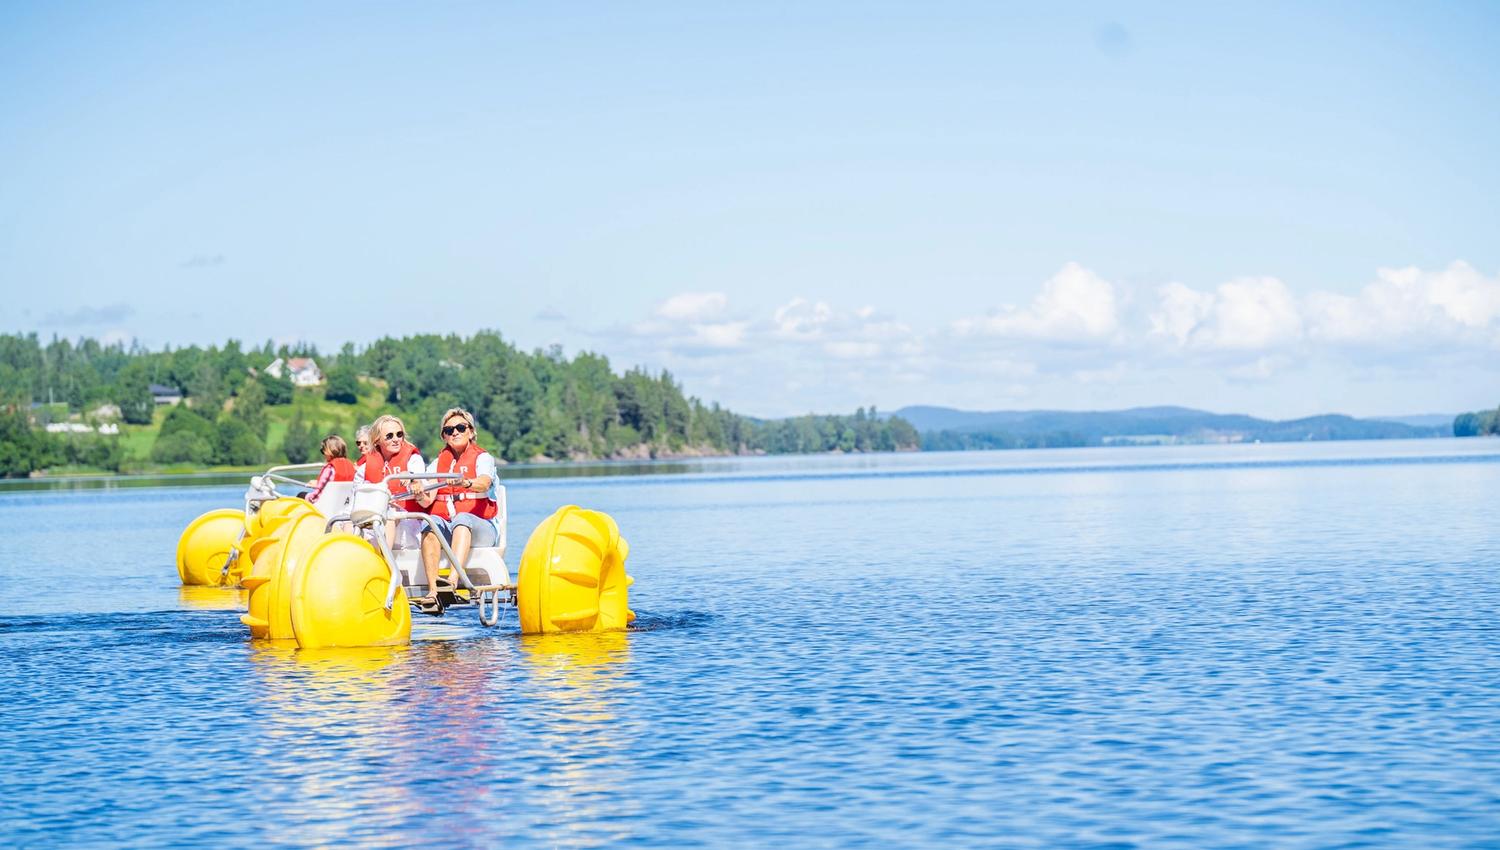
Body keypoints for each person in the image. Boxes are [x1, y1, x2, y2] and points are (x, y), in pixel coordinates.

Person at [410, 407, 498, 614]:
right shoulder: (438, 463)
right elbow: (426, 500)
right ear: (444, 436)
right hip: (453, 526)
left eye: (460, 427)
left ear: (470, 432)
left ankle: (452, 580)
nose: (455, 433)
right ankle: (434, 591)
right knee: (429, 522)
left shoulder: (482, 458)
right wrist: (418, 491)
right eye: (449, 430)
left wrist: (465, 482)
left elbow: (484, 483)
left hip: (481, 528)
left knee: (462, 518)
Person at [354, 414, 425, 549]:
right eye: (389, 436)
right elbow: (355, 502)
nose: (396, 439)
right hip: (374, 521)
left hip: (407, 522)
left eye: (399, 434)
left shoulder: (413, 461)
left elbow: (421, 487)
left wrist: (412, 479)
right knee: (343, 520)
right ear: (376, 440)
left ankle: (385, 562)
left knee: (389, 516)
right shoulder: (363, 469)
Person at [303, 435, 356, 504]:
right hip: (343, 506)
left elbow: (316, 496)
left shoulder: (330, 469)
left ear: (330, 451)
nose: (323, 454)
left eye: (323, 450)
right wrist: (318, 483)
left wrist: (305, 497)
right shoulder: (352, 467)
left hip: (326, 506)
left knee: (301, 495)